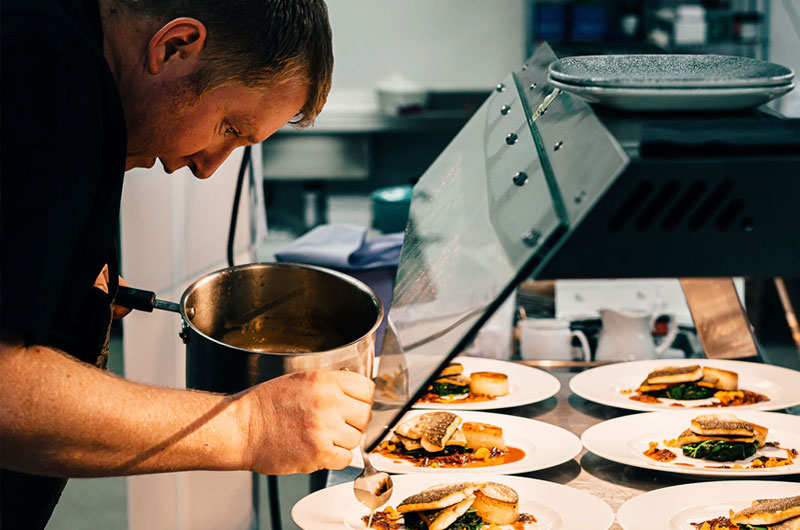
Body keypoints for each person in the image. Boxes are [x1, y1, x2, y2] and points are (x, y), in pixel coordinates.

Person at [0, 0, 374, 527]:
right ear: (175, 47)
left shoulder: (65, 48)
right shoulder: (48, 76)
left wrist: (59, 279)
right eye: (229, 127)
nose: (206, 167)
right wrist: (249, 426)